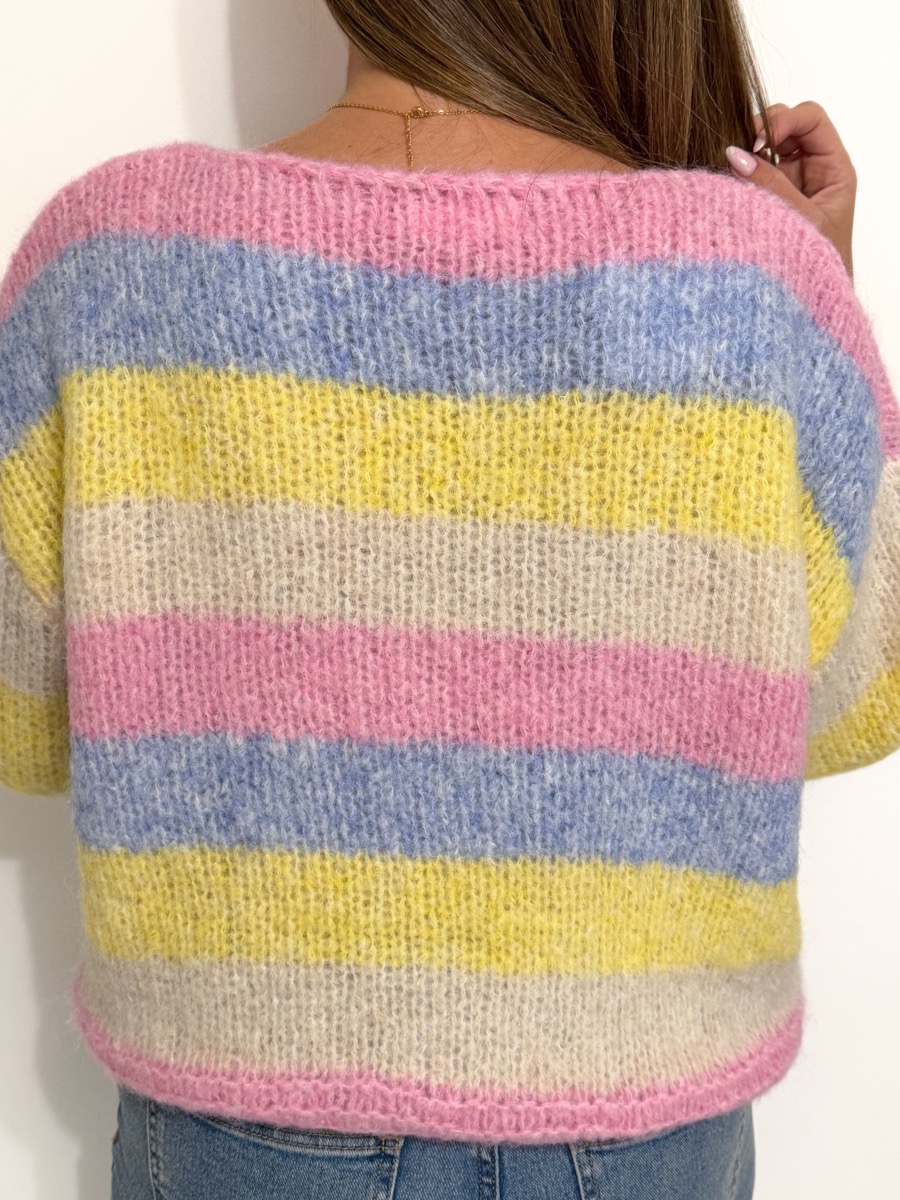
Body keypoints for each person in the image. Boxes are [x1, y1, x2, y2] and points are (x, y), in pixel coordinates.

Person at [0, 3, 895, 1198]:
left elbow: (21, 721)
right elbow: (855, 698)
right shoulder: (753, 279)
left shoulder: (108, 261)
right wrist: (824, 301)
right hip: (643, 1120)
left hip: (243, 1114)